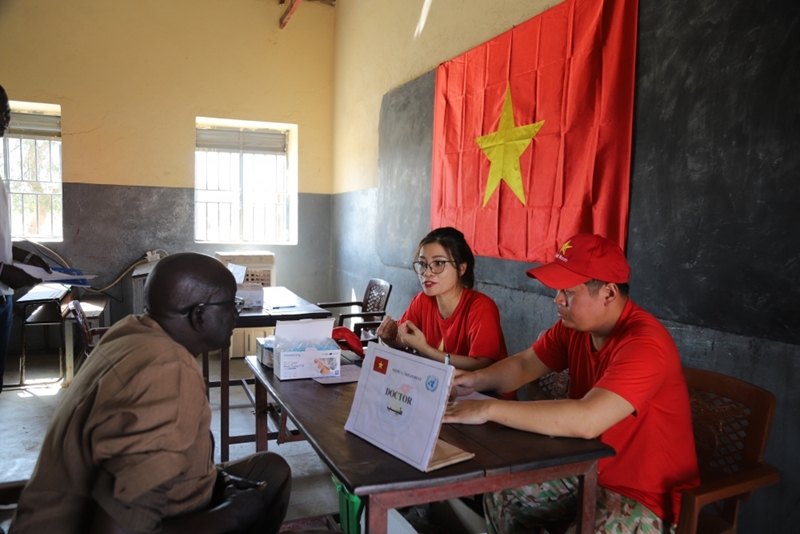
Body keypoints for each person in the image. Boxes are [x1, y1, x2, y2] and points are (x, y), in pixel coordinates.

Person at [10, 253, 292, 534]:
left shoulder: (130, 330)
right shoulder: (167, 370)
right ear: (199, 314)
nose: (236, 313)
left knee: (271, 470)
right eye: (231, 304)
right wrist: (231, 516)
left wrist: (218, 481)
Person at [444, 234, 699, 533]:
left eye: (568, 291)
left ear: (608, 293)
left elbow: (587, 420)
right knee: (504, 497)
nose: (558, 300)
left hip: (645, 495)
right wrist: (472, 379)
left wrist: (488, 408)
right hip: (584, 468)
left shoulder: (644, 343)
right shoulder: (576, 327)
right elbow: (525, 364)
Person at [377, 226, 508, 371]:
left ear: (461, 269)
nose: (427, 273)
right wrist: (389, 339)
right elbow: (403, 340)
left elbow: (483, 366)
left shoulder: (481, 307)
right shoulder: (422, 301)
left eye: (439, 263)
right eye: (422, 264)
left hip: (483, 393)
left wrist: (425, 349)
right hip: (437, 386)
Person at [0, 84, 51, 395]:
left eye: (8, 112)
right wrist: (3, 270)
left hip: (2, 298)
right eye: (1, 110)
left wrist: (26, 258)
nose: (6, 118)